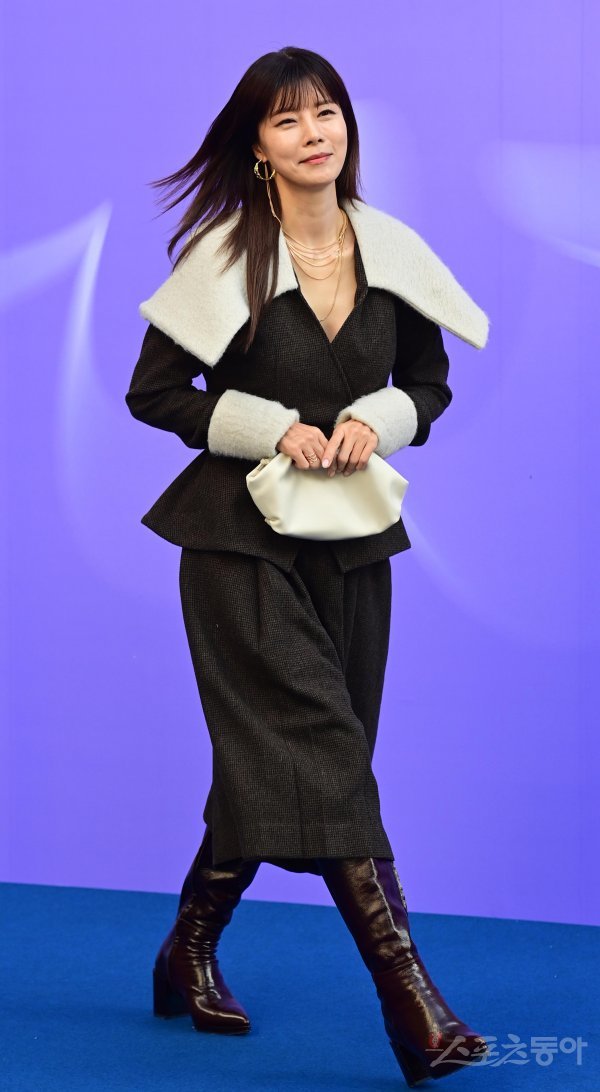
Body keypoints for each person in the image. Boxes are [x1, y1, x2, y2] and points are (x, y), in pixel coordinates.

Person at [126, 46, 490, 1088]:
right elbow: (156, 393)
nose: (313, 132)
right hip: (238, 540)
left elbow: (430, 383)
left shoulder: (393, 251)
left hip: (353, 543)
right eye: (287, 119)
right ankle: (415, 1009)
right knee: (324, 757)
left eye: (325, 111)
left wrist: (381, 418)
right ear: (259, 147)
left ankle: (187, 950)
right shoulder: (224, 258)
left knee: (299, 762)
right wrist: (268, 426)